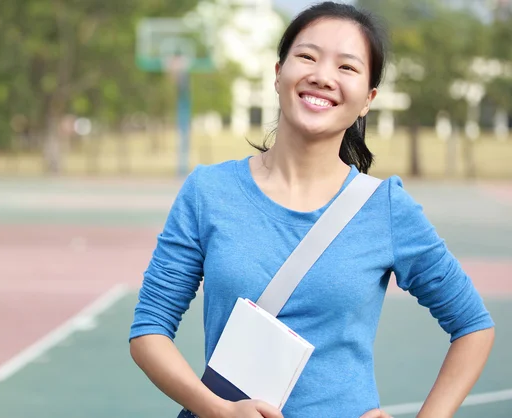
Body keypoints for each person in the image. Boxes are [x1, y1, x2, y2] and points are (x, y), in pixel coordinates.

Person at [128, 2, 496, 417]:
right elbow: (149, 331)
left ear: (367, 100)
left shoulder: (386, 208)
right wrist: (216, 409)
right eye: (307, 56)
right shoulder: (208, 192)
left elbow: (473, 326)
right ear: (278, 73)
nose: (322, 77)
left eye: (347, 67)